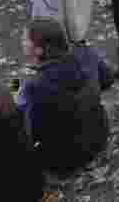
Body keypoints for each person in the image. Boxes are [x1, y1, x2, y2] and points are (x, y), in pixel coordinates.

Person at [17, 18, 113, 176]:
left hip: (67, 158)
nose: (22, 42)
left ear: (40, 50)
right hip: (98, 136)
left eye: (25, 39)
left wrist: (20, 100)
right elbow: (107, 79)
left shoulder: (36, 86)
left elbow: (33, 133)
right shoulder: (83, 57)